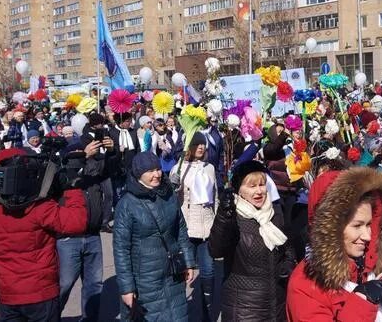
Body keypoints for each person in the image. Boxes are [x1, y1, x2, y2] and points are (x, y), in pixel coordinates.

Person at [0, 148, 87, 322]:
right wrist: (71, 187)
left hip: (8, 293)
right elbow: (77, 222)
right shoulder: (39, 207)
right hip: (41, 293)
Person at [287, 167, 382, 322]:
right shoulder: (305, 286)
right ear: (331, 229)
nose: (368, 236)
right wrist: (363, 302)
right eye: (357, 225)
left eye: (369, 225)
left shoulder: (366, 267)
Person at [113, 152, 196, 321]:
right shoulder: (127, 204)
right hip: (145, 279)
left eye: (158, 169)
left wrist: (189, 261)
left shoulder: (168, 194)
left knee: (178, 316)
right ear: (138, 174)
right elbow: (121, 249)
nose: (157, 174)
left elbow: (180, 229)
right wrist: (127, 288)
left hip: (173, 271)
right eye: (150, 171)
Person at [208, 160, 294, 321]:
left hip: (276, 306)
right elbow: (216, 249)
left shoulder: (275, 213)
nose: (259, 191)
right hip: (244, 308)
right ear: (239, 190)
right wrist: (224, 216)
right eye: (252, 186)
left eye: (262, 185)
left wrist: (288, 264)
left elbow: (288, 247)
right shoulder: (233, 216)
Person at [56, 138, 113, 322]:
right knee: (64, 284)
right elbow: (68, 176)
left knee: (94, 284)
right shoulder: (62, 175)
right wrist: (83, 156)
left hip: (92, 236)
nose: (87, 156)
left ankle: (89, 319)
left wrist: (112, 151)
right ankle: (50, 316)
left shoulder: (93, 171)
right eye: (80, 154)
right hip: (68, 240)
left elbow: (114, 169)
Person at [170, 132, 217, 321]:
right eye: (196, 144)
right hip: (187, 227)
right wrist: (173, 185)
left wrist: (218, 222)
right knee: (184, 272)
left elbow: (215, 198)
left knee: (209, 270)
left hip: (208, 226)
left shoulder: (210, 168)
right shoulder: (179, 168)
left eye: (203, 144)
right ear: (188, 146)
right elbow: (172, 198)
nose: (201, 147)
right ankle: (180, 312)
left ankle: (207, 312)